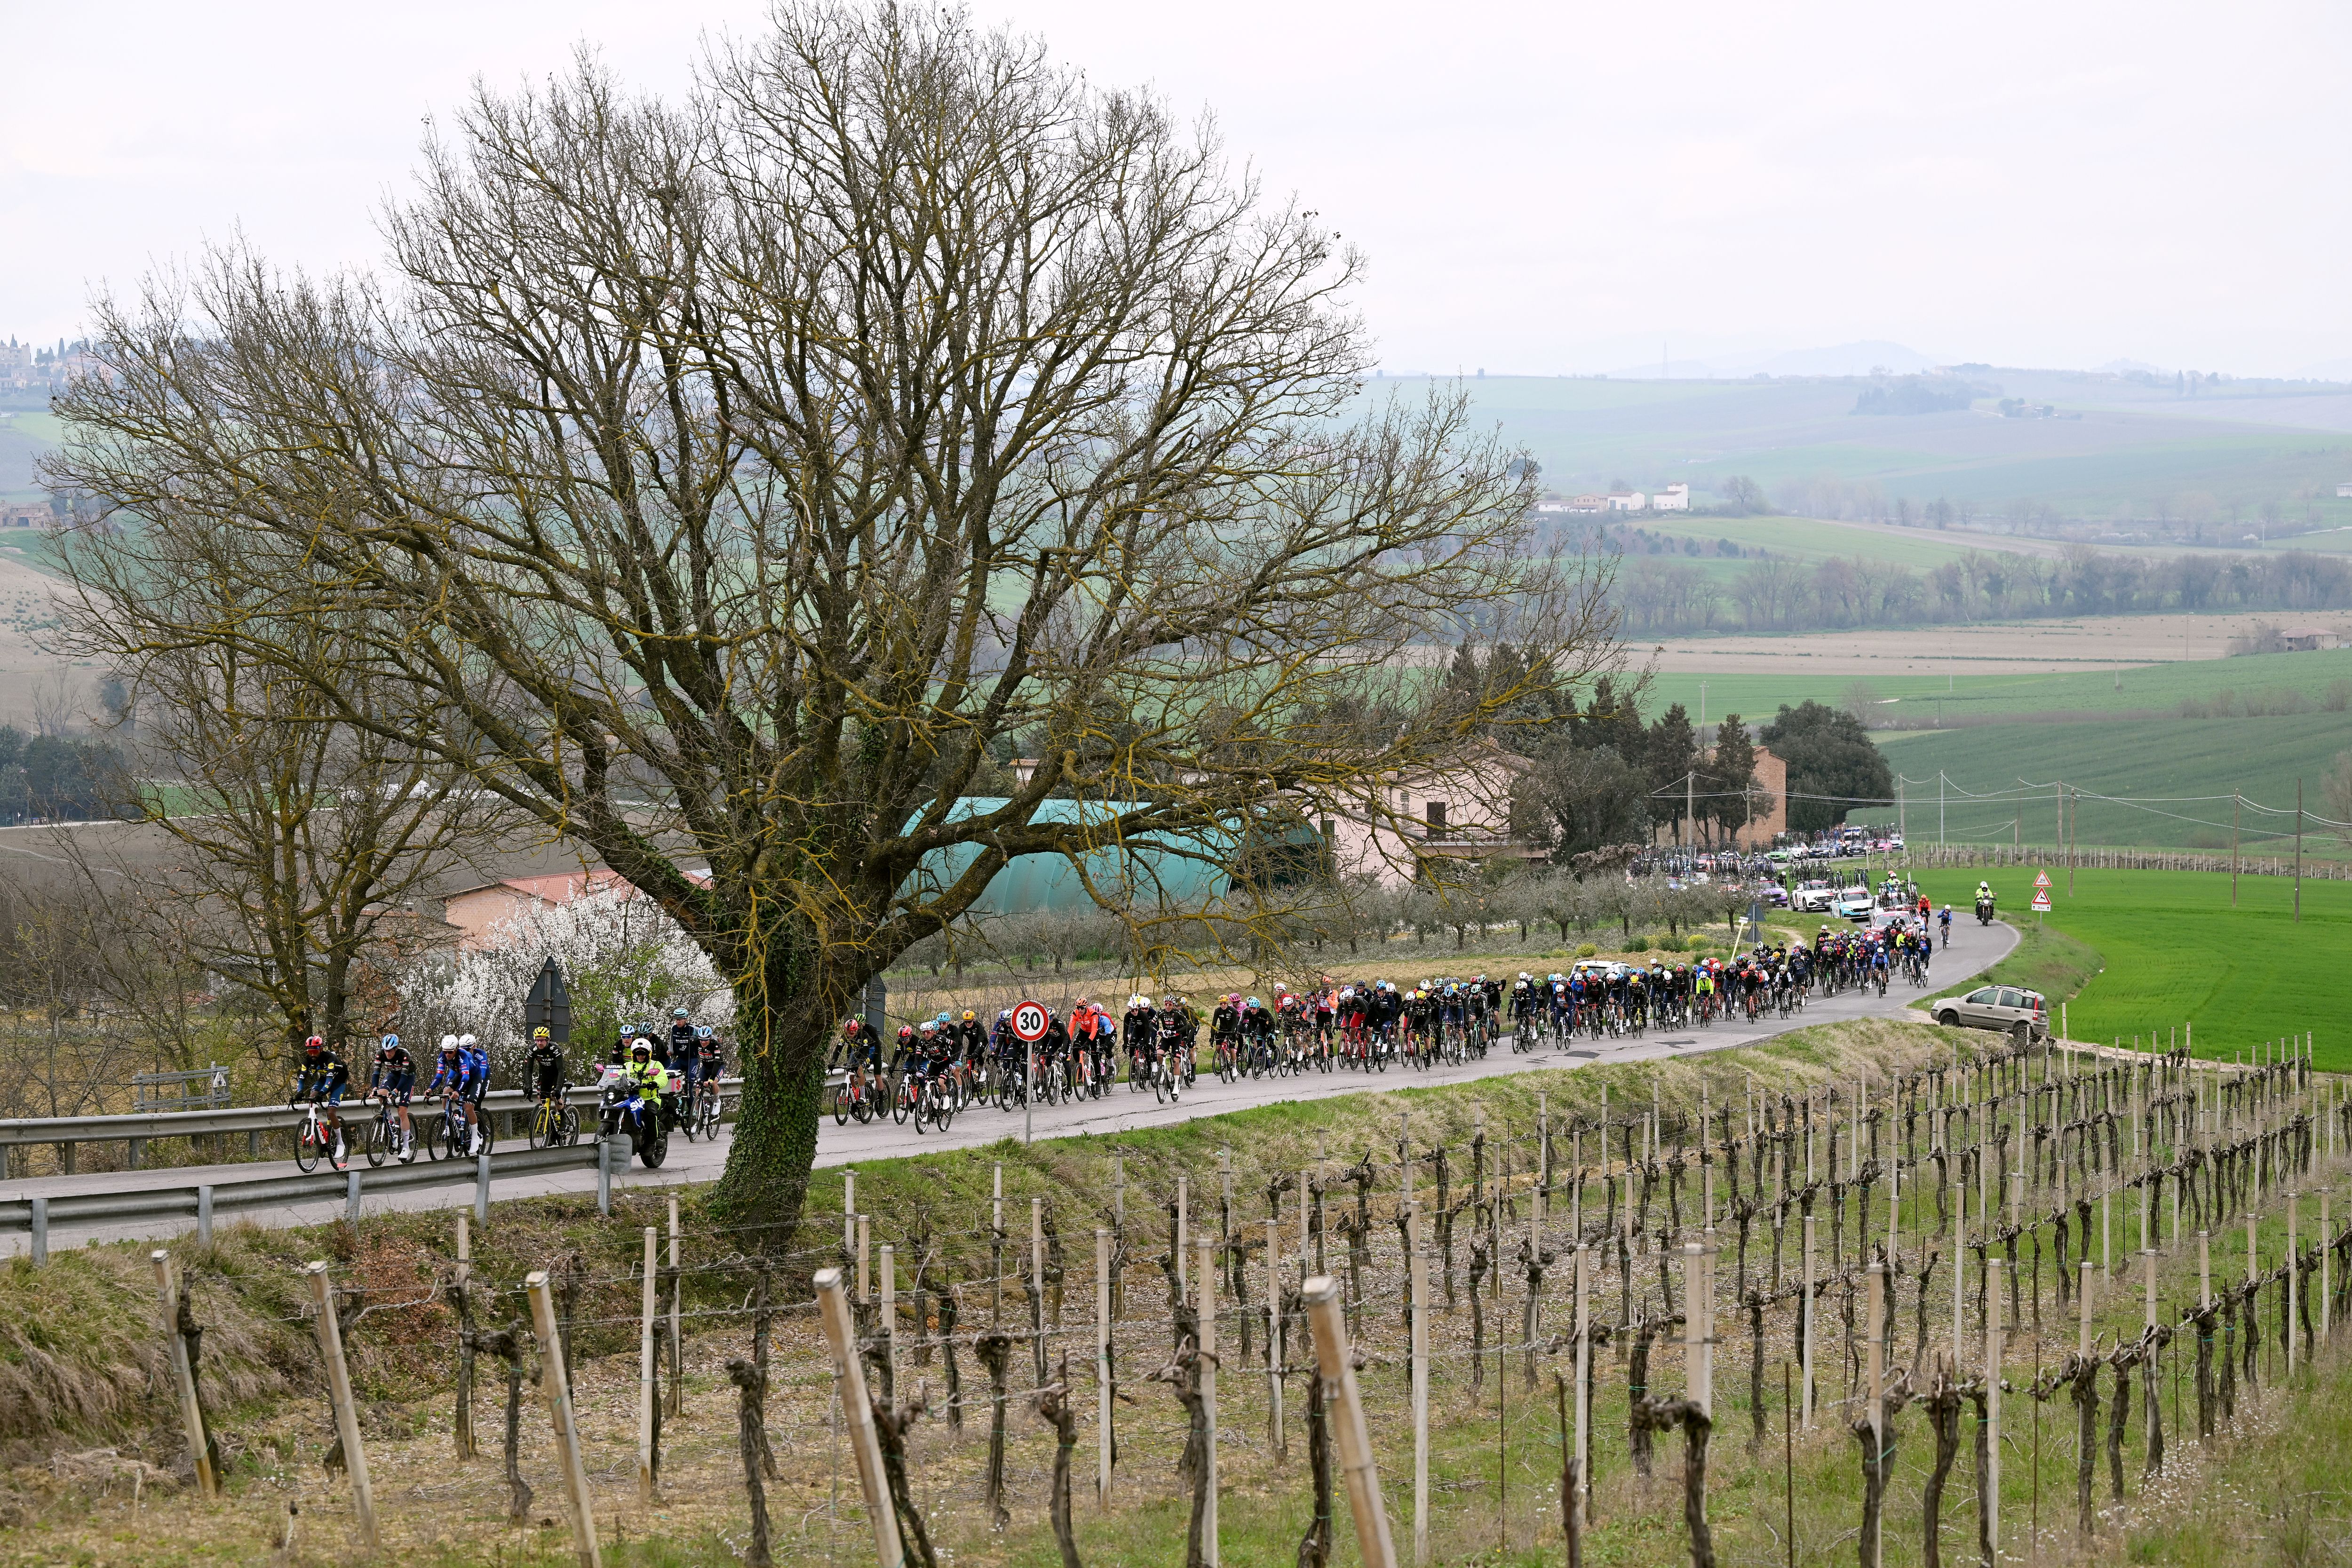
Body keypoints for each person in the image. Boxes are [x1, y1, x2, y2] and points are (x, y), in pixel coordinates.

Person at [293, 1034, 351, 1156]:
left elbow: (330, 1081)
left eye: (315, 1051)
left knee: (331, 1111)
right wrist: (299, 1092)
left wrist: (322, 1093)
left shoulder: (329, 1058)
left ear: (321, 1049)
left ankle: (340, 1142)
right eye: (310, 1052)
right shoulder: (308, 1060)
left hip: (338, 1082)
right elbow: (302, 1079)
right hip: (324, 1080)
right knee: (312, 1096)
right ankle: (315, 1127)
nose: (312, 1055)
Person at [367, 1033, 416, 1162]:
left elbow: (404, 1077)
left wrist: (396, 1091)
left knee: (402, 1111)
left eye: (390, 1051)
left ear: (396, 1048)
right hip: (394, 1075)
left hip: (407, 1078)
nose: (388, 1053)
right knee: (382, 1094)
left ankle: (406, 1147)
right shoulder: (380, 1054)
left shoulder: (404, 1055)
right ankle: (391, 1123)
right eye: (386, 1050)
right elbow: (376, 1073)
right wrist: (374, 1088)